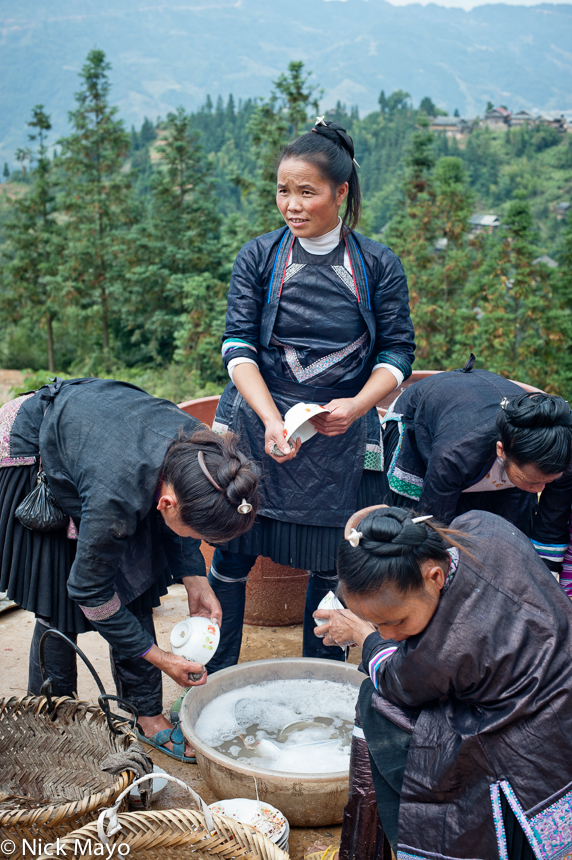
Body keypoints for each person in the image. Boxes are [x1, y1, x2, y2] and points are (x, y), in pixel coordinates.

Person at [206, 118, 415, 671]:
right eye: (283, 191)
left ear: (340, 193)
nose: (291, 205)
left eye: (306, 192)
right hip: (259, 424)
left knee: (331, 567)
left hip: (343, 436)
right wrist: (273, 419)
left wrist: (357, 405)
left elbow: (397, 353)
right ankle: (214, 677)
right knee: (231, 555)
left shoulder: (375, 264)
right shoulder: (259, 258)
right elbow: (237, 346)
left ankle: (313, 688)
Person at [0, 377, 258, 762]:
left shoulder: (202, 455)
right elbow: (89, 590)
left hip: (103, 446)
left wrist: (196, 579)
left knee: (135, 588)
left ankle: (146, 716)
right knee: (58, 597)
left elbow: (186, 516)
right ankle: (53, 717)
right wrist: (159, 657)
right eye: (198, 535)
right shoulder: (116, 496)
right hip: (37, 453)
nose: (197, 541)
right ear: (166, 504)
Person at [315, 504, 572, 859]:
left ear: (434, 577)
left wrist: (365, 635)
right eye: (375, 623)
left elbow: (395, 680)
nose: (388, 633)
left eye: (396, 622)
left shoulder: (448, 648)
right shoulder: (484, 526)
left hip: (528, 740)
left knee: (373, 701)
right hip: (562, 690)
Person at [383, 358, 572, 535]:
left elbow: (552, 521)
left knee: (515, 526)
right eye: (532, 482)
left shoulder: (561, 451)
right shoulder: (454, 454)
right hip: (428, 418)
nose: (539, 489)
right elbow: (435, 521)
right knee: (423, 527)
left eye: (547, 482)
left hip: (484, 424)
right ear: (501, 450)